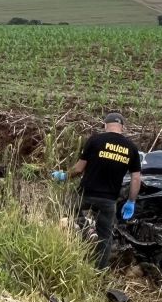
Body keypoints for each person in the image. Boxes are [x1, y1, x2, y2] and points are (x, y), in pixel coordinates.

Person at [52, 113, 142, 268]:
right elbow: (136, 178)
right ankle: (99, 271)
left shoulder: (95, 140)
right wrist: (131, 201)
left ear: (105, 125)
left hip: (86, 194)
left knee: (65, 208)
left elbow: (79, 169)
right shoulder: (131, 148)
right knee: (105, 236)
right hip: (109, 200)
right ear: (122, 127)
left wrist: (64, 175)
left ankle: (86, 229)